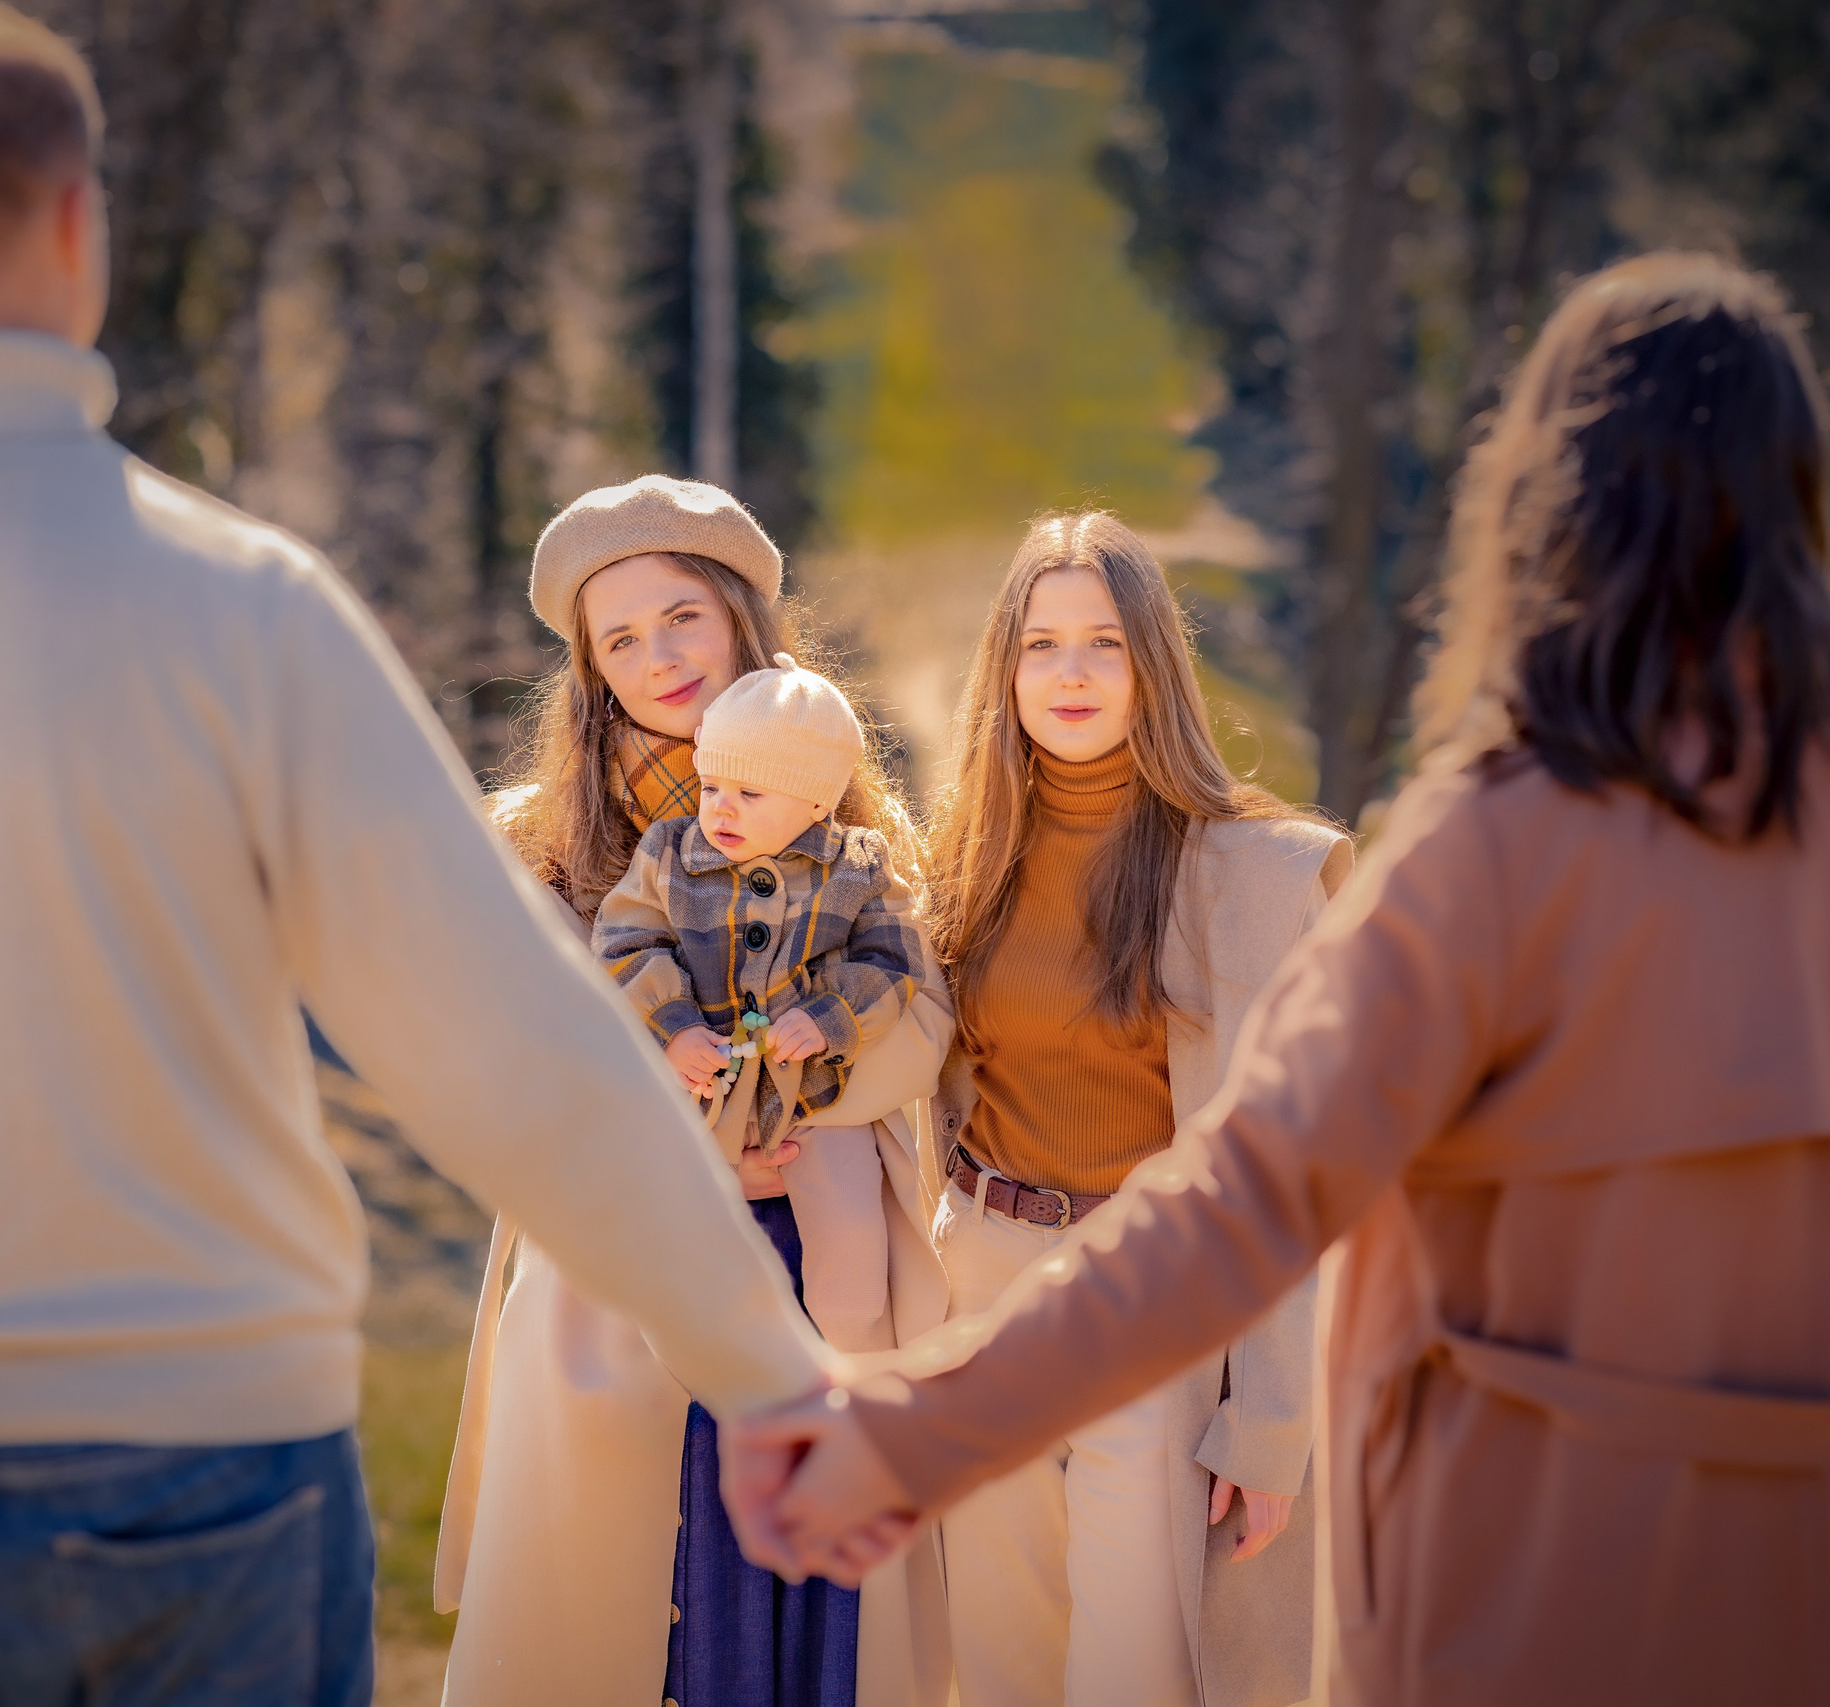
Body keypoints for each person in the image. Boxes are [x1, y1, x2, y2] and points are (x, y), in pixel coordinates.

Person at [0, 8, 833, 1705]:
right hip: (217, 1472)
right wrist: (766, 1372)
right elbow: (506, 1044)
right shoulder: (246, 611)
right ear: (86, 229)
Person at [723, 253, 1830, 1707]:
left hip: (1548, 1579)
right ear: (1805, 496)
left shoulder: (1497, 832)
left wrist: (914, 1430)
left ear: (1549, 508)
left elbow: (1243, 1197)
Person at [433, 475, 957, 1707]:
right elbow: (524, 1070)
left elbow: (917, 1023)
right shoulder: (539, 840)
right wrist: (704, 1145)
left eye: (684, 618)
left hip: (820, 1268)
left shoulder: (860, 823)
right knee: (625, 1609)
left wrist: (792, 1089)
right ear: (590, 671)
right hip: (618, 1272)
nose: (659, 657)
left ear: (740, 622)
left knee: (813, 1625)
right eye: (621, 638)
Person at [912, 512, 1347, 1707]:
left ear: (1151, 663)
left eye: (1101, 643)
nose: (1069, 673)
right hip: (978, 1283)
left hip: (1147, 1292)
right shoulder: (962, 864)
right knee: (997, 1652)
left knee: (1132, 1659)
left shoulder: (1250, 875)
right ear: (1003, 669)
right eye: (1041, 643)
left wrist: (1269, 1427)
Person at [593, 653, 928, 1348]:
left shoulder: (856, 865)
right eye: (711, 784)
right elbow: (626, 943)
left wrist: (830, 1016)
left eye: (750, 794)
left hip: (818, 1100)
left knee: (851, 1264)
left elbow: (893, 961)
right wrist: (674, 1027)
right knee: (696, 1251)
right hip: (709, 1094)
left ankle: (851, 1344)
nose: (720, 808)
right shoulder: (670, 856)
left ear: (815, 801)